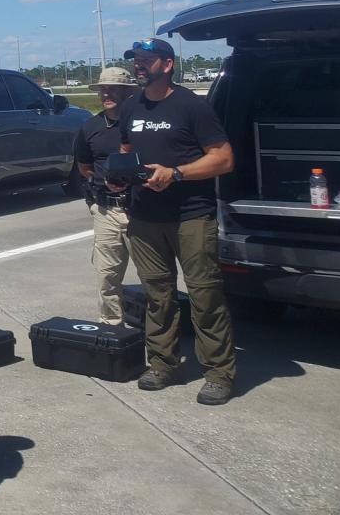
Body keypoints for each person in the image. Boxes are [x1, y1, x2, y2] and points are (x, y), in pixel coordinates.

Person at [109, 37, 237, 405]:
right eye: (136, 59)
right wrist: (119, 176)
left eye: (146, 59)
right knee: (157, 295)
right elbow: (125, 151)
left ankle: (218, 372)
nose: (139, 65)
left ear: (167, 64)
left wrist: (176, 173)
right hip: (145, 216)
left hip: (190, 215)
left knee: (204, 293)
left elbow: (224, 159)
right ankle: (164, 363)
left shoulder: (191, 106)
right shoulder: (131, 106)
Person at [73, 67, 136, 324]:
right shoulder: (91, 127)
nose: (106, 94)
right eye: (102, 89)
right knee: (106, 276)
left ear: (128, 92)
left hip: (141, 209)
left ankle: (160, 338)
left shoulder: (141, 124)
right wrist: (98, 186)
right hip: (106, 210)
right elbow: (84, 166)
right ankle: (112, 329)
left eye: (113, 89)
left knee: (153, 277)